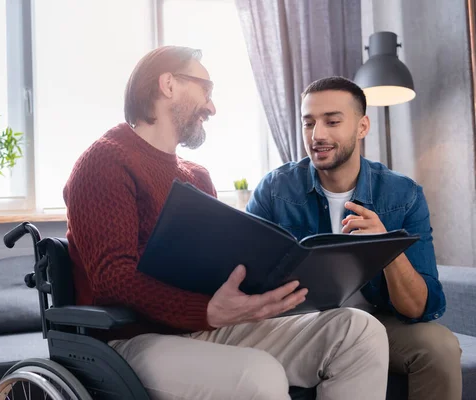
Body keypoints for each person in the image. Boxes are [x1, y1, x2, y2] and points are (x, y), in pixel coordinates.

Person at [63, 47, 389, 400]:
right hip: (132, 339)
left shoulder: (196, 176)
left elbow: (214, 267)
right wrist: (206, 310)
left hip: (207, 325)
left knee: (358, 331)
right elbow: (113, 278)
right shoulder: (106, 161)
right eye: (206, 89)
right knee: (259, 377)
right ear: (168, 84)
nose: (212, 107)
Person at [246, 76, 462, 400]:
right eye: (309, 123)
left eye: (332, 121)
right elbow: (243, 274)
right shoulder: (275, 190)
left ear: (362, 127)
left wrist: (386, 247)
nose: (318, 135)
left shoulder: (403, 195)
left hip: (377, 321)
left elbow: (419, 307)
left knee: (440, 347)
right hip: (300, 324)